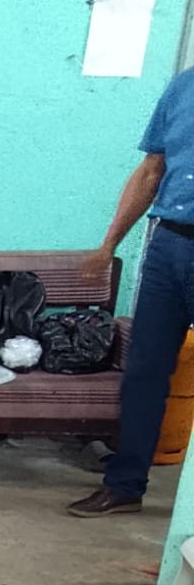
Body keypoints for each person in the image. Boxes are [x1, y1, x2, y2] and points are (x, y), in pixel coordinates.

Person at [67, 68, 194, 518]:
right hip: (169, 244)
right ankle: (124, 486)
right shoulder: (184, 86)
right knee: (144, 372)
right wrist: (110, 244)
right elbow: (151, 170)